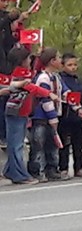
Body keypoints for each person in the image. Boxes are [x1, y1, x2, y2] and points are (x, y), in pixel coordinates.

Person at [2, 47, 50, 184]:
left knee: (16, 143)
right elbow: (30, 85)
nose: (31, 61)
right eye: (29, 58)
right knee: (16, 145)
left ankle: (11, 170)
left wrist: (39, 57)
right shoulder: (19, 74)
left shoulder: (25, 72)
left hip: (23, 112)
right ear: (22, 61)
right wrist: (47, 93)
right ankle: (19, 175)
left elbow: (35, 72)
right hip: (16, 111)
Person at [59, 53, 82, 178]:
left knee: (78, 144)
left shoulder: (77, 79)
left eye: (75, 64)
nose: (73, 67)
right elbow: (71, 92)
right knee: (64, 144)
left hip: (78, 117)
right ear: (62, 66)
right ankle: (63, 168)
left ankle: (79, 167)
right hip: (66, 116)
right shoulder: (61, 79)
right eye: (69, 65)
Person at [29, 48, 63, 182]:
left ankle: (52, 168)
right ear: (52, 61)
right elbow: (45, 98)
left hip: (52, 116)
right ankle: (37, 170)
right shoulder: (43, 78)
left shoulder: (56, 77)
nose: (61, 61)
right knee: (39, 144)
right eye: (58, 58)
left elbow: (63, 91)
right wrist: (52, 117)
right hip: (41, 117)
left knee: (52, 144)